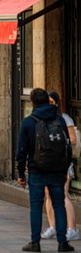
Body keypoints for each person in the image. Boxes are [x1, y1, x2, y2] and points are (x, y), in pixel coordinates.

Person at [17, 87, 74, 253]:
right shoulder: (60, 120)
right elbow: (67, 147)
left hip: (36, 170)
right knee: (59, 205)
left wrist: (21, 174)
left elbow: (21, 151)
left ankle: (35, 242)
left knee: (36, 205)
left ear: (32, 102)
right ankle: (62, 242)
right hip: (57, 170)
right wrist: (65, 169)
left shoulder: (28, 122)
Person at [42, 91, 80, 241]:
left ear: (57, 103)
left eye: (52, 102)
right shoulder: (43, 119)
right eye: (47, 102)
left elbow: (73, 139)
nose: (50, 105)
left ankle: (73, 228)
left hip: (62, 162)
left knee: (62, 195)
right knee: (49, 196)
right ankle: (53, 227)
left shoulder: (64, 119)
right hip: (47, 163)